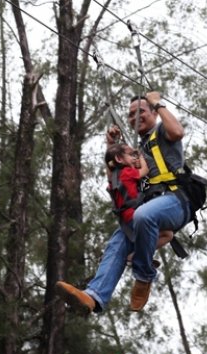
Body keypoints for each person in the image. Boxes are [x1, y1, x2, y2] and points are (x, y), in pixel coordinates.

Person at [56, 91, 190, 312]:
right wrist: (111, 147)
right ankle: (94, 296)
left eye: (141, 112)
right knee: (118, 241)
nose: (135, 117)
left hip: (176, 200)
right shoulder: (136, 151)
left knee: (143, 216)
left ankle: (144, 275)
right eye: (130, 114)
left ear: (154, 114)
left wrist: (157, 103)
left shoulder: (162, 131)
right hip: (148, 208)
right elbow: (118, 181)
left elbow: (177, 131)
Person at [103, 142, 173, 266]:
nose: (133, 158)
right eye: (130, 155)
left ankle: (136, 254)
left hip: (125, 218)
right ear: (119, 159)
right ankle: (138, 255)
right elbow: (145, 171)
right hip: (135, 215)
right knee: (168, 234)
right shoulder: (127, 172)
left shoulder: (115, 178)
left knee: (146, 237)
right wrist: (141, 155)